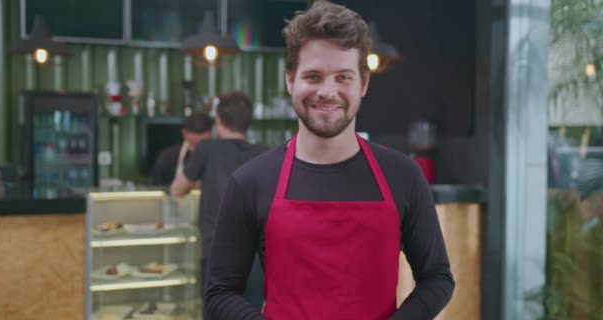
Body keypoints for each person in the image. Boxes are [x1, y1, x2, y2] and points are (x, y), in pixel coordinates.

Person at [204, 1, 455, 319]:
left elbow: (437, 278)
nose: (327, 91)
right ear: (290, 81)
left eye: (343, 77)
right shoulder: (250, 181)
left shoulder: (402, 175)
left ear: (363, 83)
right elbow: (220, 292)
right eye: (313, 76)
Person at [170, 91, 268, 317]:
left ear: (218, 120)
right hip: (256, 257)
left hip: (216, 251)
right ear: (249, 122)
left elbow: (177, 189)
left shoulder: (206, 149)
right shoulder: (263, 152)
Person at [151, 112, 212, 186]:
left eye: (203, 144)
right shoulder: (167, 157)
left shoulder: (219, 157)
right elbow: (158, 187)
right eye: (194, 144)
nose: (199, 149)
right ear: (184, 134)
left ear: (211, 134)